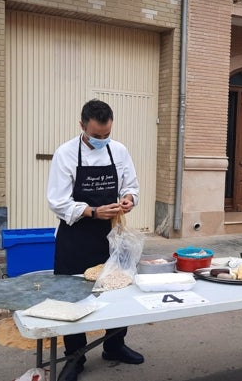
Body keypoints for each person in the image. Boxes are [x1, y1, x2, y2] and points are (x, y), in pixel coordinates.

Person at [47, 99, 142, 381]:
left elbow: (131, 186)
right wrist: (91, 211)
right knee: (72, 296)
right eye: (96, 136)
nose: (102, 140)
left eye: (106, 135)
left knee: (118, 290)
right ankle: (75, 357)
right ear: (82, 126)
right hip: (75, 235)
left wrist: (128, 200)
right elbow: (57, 201)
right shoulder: (65, 154)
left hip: (111, 235)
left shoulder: (119, 150)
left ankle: (115, 345)